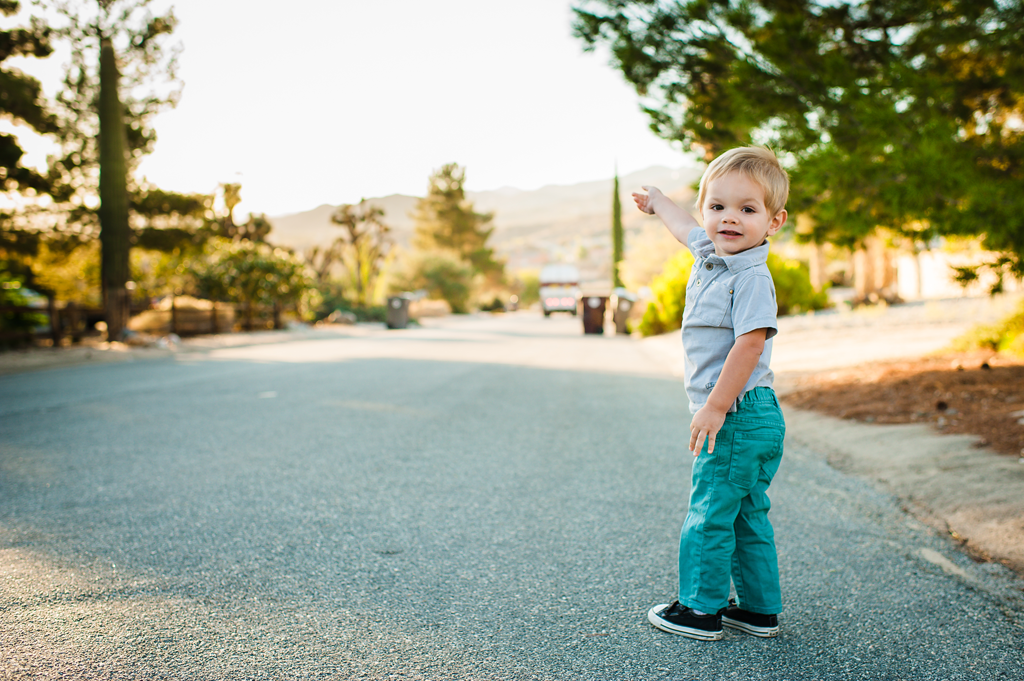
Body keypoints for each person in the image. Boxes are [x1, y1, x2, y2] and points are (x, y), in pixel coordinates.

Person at [633, 146, 789, 641]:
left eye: (748, 209)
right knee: (745, 512)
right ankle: (760, 610)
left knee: (710, 511)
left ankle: (701, 609)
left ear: (774, 221)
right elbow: (683, 227)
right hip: (753, 416)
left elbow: (750, 343)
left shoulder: (749, 277)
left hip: (738, 413)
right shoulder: (710, 255)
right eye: (717, 207)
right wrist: (658, 201)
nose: (729, 219)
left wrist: (715, 406)